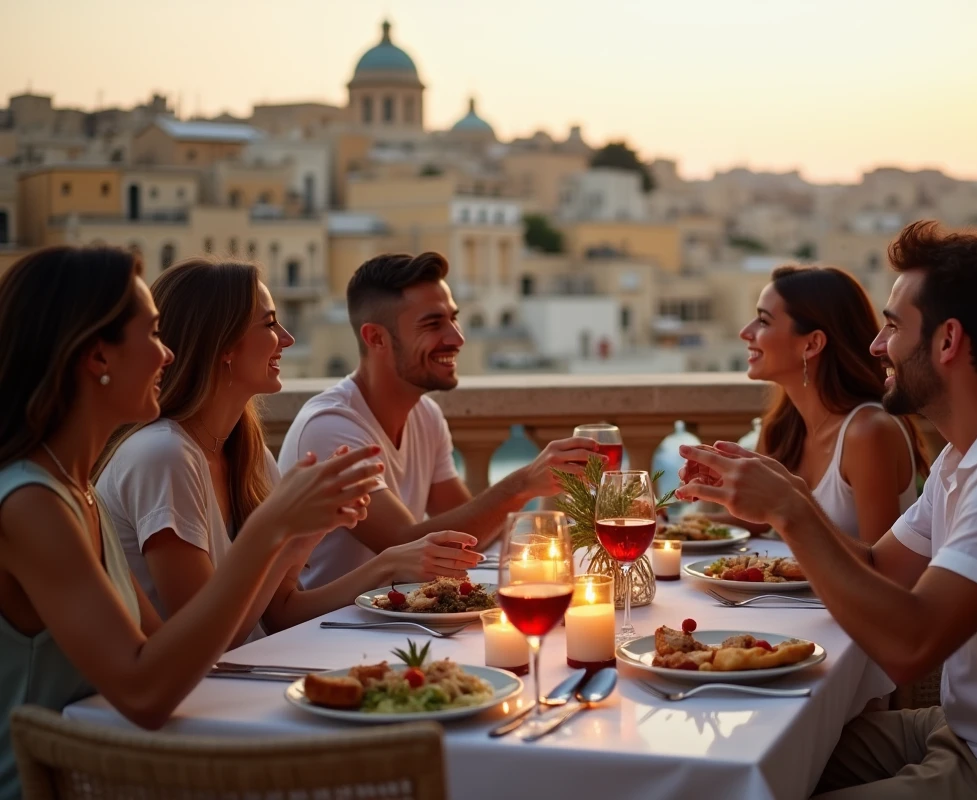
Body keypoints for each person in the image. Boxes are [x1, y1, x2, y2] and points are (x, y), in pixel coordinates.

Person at [676, 222, 977, 799]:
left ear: (947, 342)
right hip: (964, 735)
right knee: (746, 750)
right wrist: (788, 498)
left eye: (893, 327)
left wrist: (791, 514)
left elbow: (908, 648)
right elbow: (877, 565)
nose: (875, 346)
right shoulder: (965, 458)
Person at [0, 246, 380, 800]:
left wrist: (291, 533)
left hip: (114, 771)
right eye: (153, 336)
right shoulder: (32, 503)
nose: (168, 355)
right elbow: (146, 693)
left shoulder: (76, 491)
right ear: (97, 358)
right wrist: (271, 530)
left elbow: (172, 653)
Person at [96, 258, 477, 647]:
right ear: (223, 344)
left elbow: (281, 612)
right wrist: (283, 528)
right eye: (270, 323)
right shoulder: (164, 456)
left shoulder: (247, 451)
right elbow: (207, 642)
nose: (287, 338)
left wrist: (370, 557)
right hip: (198, 693)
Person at [280, 252, 598, 589]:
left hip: (394, 621)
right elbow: (403, 543)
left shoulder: (426, 416)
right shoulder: (331, 426)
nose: (457, 338)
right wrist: (522, 484)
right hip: (324, 631)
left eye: (453, 319)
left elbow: (470, 538)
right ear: (376, 338)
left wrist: (549, 506)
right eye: (433, 324)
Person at [729, 265, 927, 543]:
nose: (745, 332)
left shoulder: (868, 432)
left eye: (763, 321)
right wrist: (671, 518)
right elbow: (756, 522)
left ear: (812, 344)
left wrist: (790, 512)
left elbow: (880, 566)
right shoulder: (783, 423)